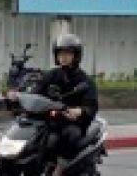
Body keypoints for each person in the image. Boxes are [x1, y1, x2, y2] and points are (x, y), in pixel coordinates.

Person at [32, 34, 100, 170]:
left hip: (72, 122)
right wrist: (18, 97)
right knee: (34, 137)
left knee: (68, 135)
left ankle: (61, 167)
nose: (63, 57)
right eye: (60, 53)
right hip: (50, 120)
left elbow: (91, 106)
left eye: (68, 54)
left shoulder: (84, 80)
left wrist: (80, 111)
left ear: (76, 56)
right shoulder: (50, 76)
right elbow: (36, 94)